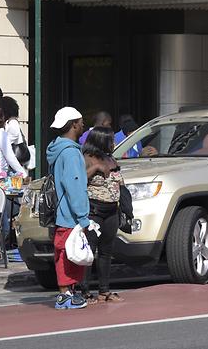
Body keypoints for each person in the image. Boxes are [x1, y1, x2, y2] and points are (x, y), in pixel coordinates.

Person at [47, 106, 93, 310]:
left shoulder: (56, 150)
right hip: (70, 214)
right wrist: (83, 216)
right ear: (74, 124)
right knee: (70, 253)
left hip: (60, 211)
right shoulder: (72, 153)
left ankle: (66, 293)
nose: (83, 125)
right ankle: (65, 293)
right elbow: (75, 186)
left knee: (64, 252)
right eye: (81, 121)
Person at [80, 127, 125, 303]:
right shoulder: (86, 159)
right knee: (89, 251)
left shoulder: (111, 159)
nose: (114, 143)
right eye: (111, 140)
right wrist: (96, 167)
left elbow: (120, 182)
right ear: (101, 140)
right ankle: (84, 290)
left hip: (112, 210)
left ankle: (104, 290)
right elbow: (79, 180)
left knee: (106, 251)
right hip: (94, 211)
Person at [0, 96, 30, 171]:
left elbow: (9, 140)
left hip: (14, 162)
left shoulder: (12, 122)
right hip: (10, 163)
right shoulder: (7, 122)